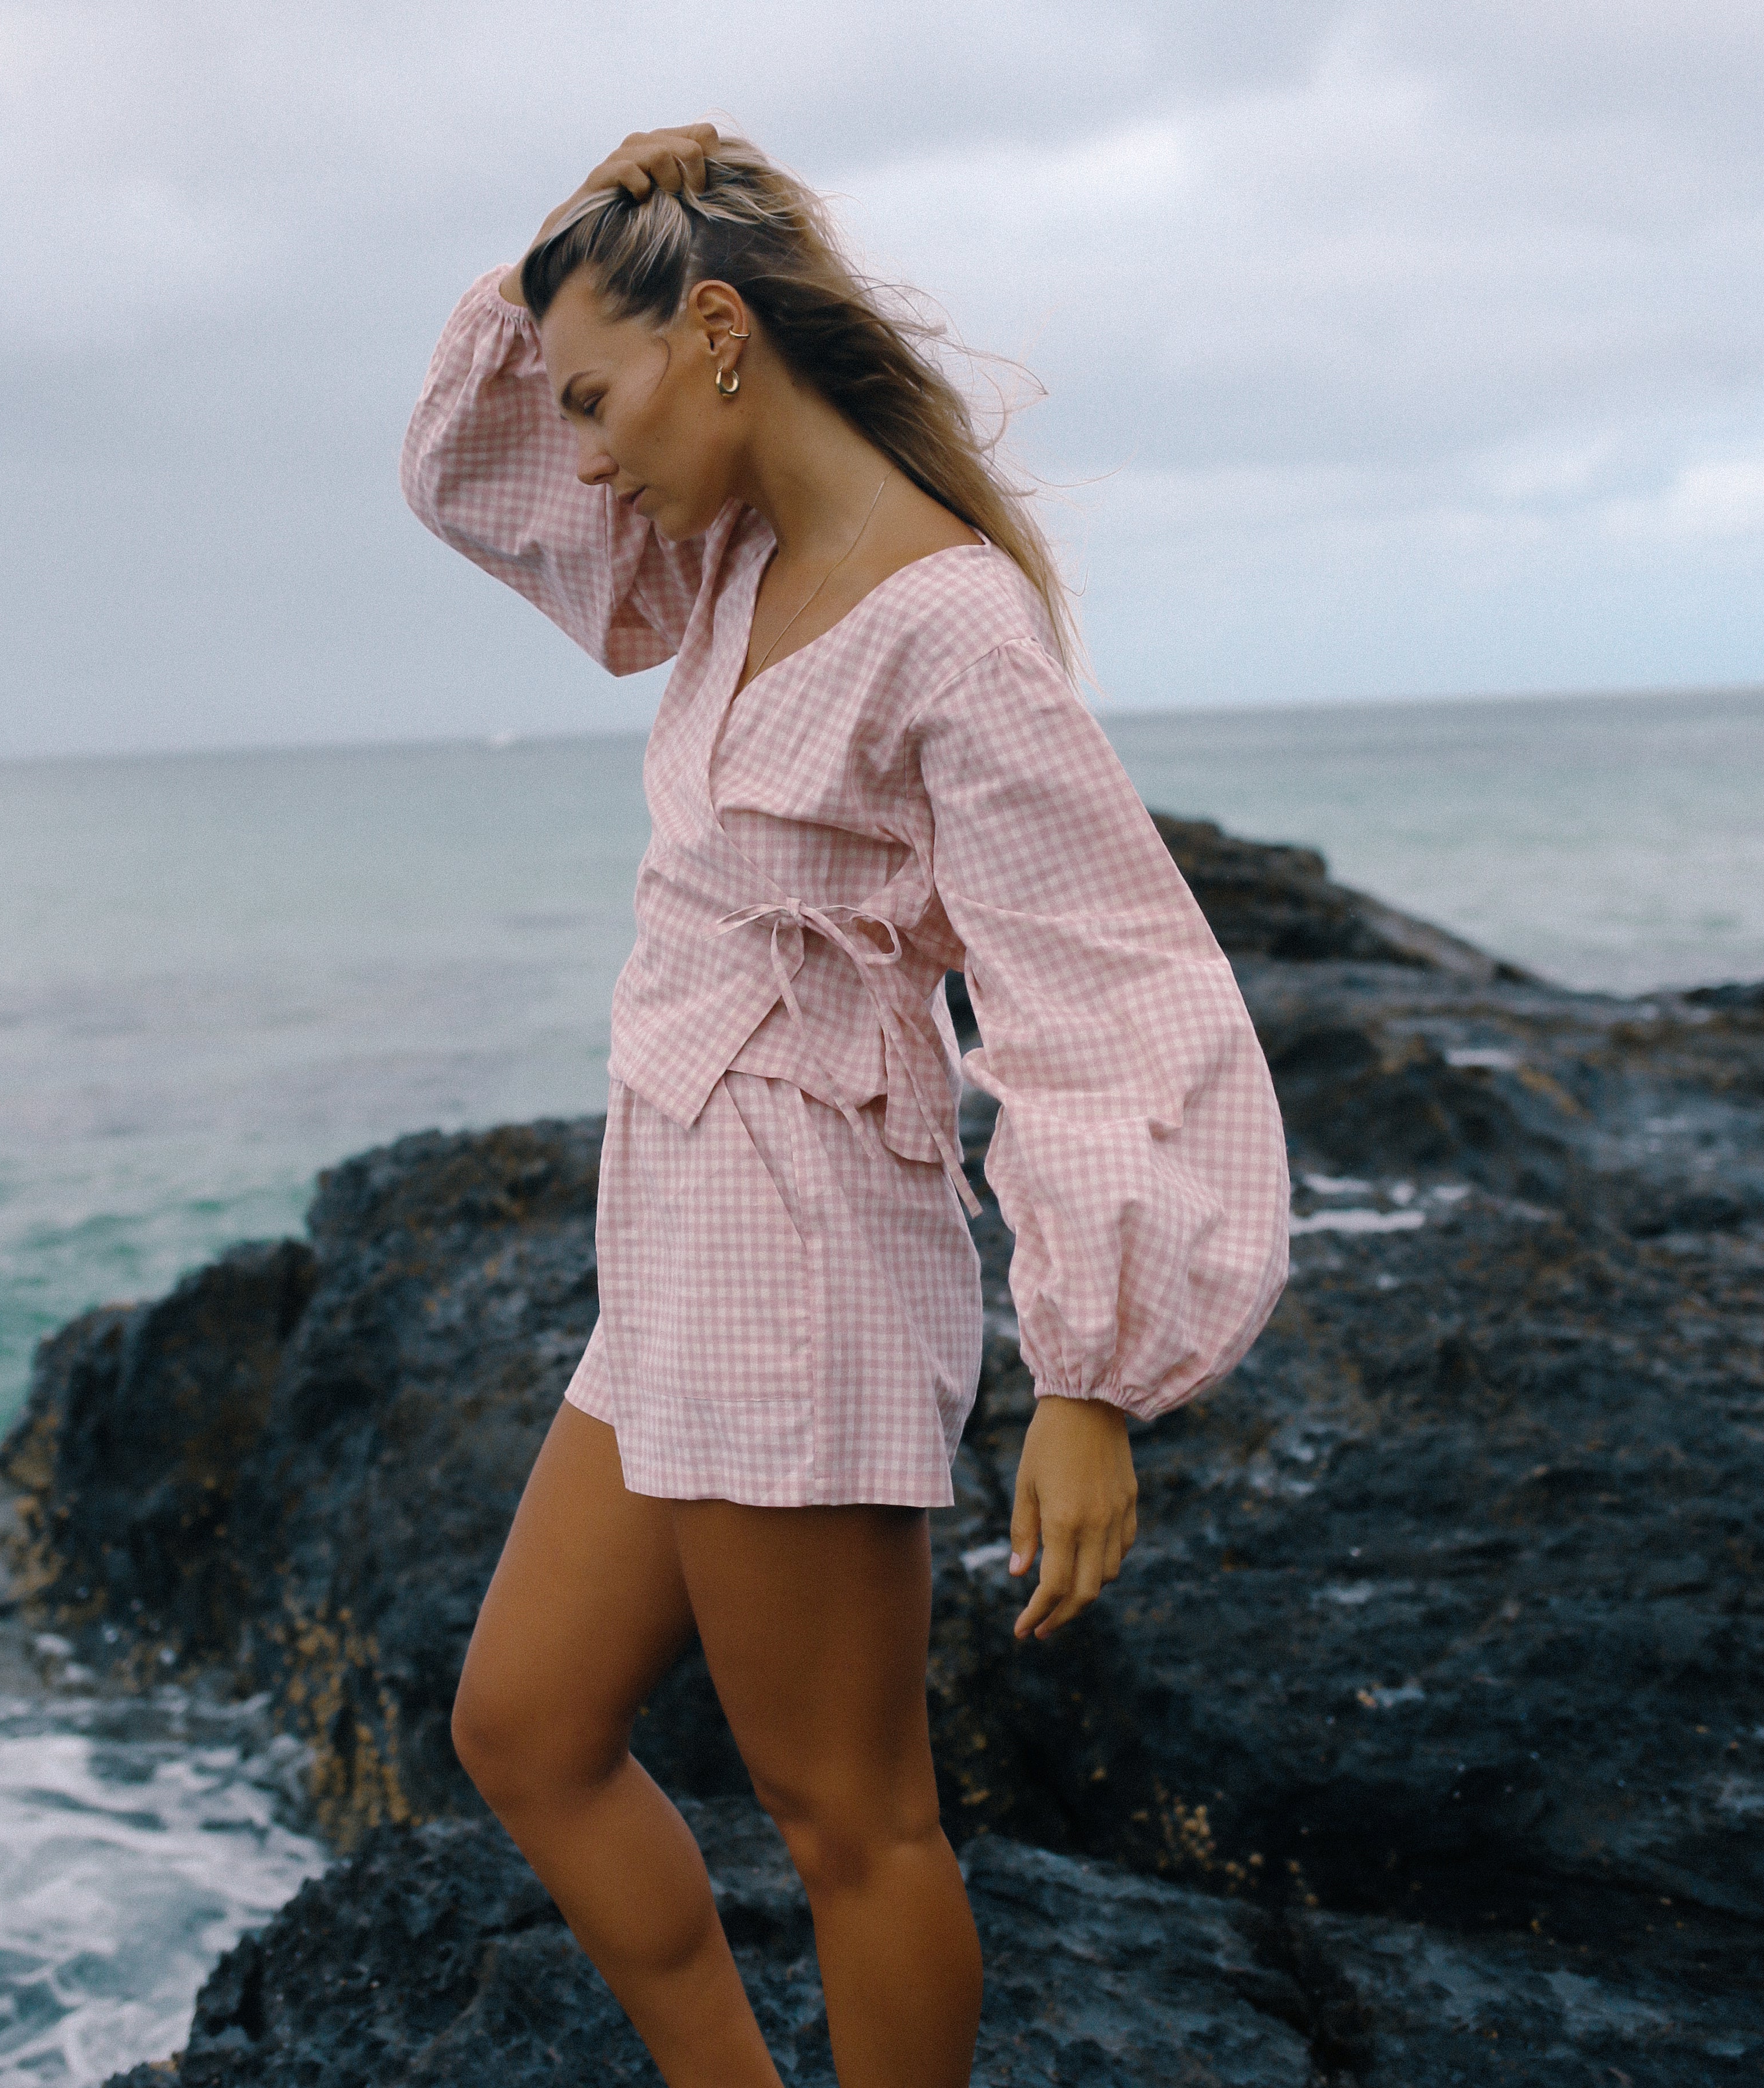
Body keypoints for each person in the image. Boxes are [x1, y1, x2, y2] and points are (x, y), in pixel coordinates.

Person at [401, 124, 1289, 2088]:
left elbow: (1107, 984)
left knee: (854, 1822)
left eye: (604, 398)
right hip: (682, 1238)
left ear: (720, 333)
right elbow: (470, 472)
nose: (589, 451)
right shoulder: (723, 558)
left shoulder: (949, 628)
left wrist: (1092, 1376)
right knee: (527, 1729)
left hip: (805, 1254)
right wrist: (556, 237)